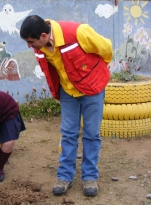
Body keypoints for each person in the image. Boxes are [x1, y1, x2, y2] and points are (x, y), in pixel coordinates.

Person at [20, 15, 113, 196]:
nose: (29, 46)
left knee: (91, 134)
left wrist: (96, 75)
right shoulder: (40, 46)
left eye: (31, 42)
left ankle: (89, 177)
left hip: (92, 91)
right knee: (68, 134)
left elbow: (106, 49)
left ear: (44, 36)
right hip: (68, 93)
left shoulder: (79, 32)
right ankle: (65, 176)